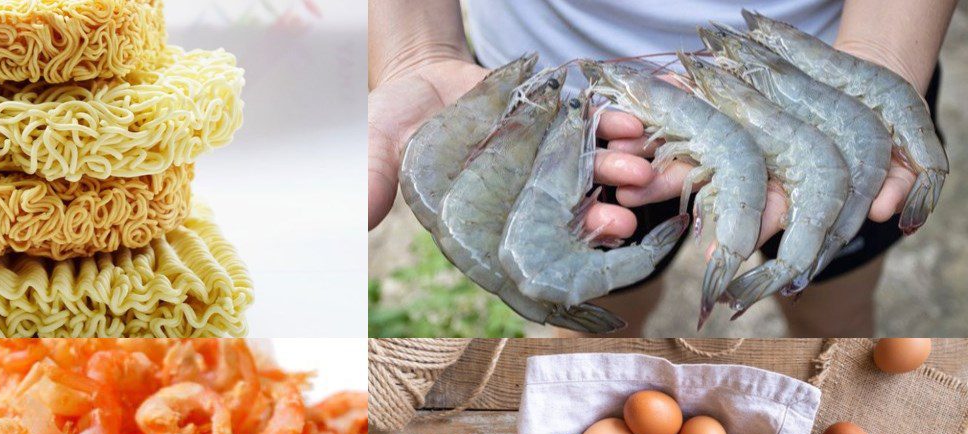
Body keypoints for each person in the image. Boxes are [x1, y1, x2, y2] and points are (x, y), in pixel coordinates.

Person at [368, 0, 955, 336]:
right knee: (607, 308)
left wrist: (886, 55)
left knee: (834, 309)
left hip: (843, 82)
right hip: (568, 116)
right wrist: (418, 51)